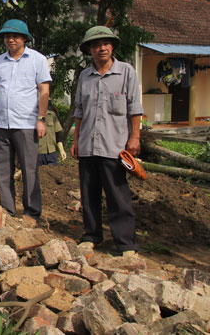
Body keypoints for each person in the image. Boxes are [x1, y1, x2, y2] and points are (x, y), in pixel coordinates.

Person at [71, 26, 142, 255]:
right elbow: (79, 111)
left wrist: (135, 136)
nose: (102, 48)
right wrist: (76, 141)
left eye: (106, 44)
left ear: (112, 47)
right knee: (89, 193)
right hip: (88, 146)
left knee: (117, 196)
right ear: (90, 49)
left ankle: (126, 243)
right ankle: (91, 235)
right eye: (96, 45)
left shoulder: (126, 72)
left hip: (114, 146)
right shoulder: (84, 76)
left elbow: (135, 108)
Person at [0, 19, 51, 224]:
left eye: (14, 36)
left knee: (29, 169)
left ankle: (31, 211)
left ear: (24, 38)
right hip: (2, 123)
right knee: (3, 169)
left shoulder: (37, 60)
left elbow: (44, 90)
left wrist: (41, 119)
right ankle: (7, 209)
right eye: (6, 36)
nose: (10, 39)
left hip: (26, 124)